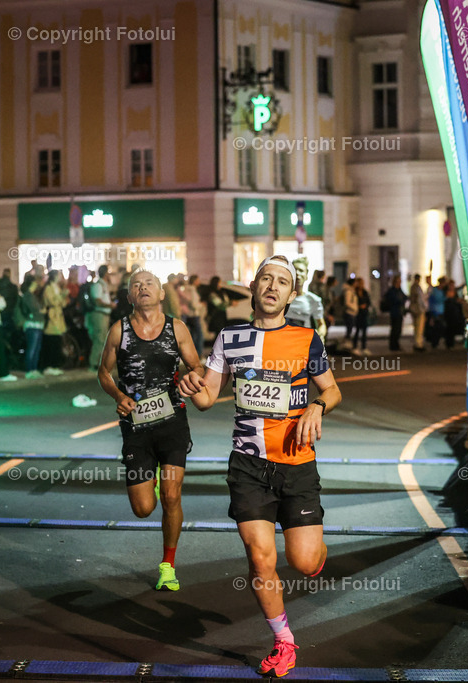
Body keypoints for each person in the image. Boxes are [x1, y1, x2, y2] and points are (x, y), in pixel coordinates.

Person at [178, 255, 342, 678]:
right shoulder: (229, 338)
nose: (272, 286)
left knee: (303, 562)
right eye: (265, 278)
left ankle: (315, 553)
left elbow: (333, 390)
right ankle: (284, 640)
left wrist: (318, 407)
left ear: (291, 295)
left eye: (282, 282)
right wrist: (189, 384)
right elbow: (206, 397)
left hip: (298, 463)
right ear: (252, 287)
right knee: (260, 557)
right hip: (248, 465)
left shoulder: (307, 339)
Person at [98, 269, 204, 592]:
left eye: (149, 284)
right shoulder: (119, 330)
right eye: (136, 286)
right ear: (129, 296)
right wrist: (119, 395)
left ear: (161, 294)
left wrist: (192, 378)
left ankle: (168, 565)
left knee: (172, 496)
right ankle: (150, 480)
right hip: (136, 429)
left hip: (172, 423)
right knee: (143, 508)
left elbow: (197, 366)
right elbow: (103, 371)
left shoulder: (177, 328)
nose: (142, 288)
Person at [286, 257, 327, 340]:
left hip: (304, 343)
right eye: (294, 270)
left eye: (301, 270)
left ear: (306, 274)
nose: (297, 273)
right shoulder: (281, 298)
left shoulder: (313, 300)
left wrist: (320, 335)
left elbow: (321, 325)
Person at [86, 265, 115, 371]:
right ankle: (93, 363)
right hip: (99, 315)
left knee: (103, 339)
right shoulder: (98, 285)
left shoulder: (103, 285)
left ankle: (99, 363)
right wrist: (109, 305)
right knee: (99, 339)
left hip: (104, 315)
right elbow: (97, 301)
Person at [41, 269, 67, 375]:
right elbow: (52, 302)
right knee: (52, 342)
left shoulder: (58, 288)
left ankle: (55, 365)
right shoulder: (48, 288)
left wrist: (61, 298)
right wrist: (61, 297)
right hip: (52, 317)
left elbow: (63, 303)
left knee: (57, 342)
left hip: (59, 317)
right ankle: (50, 366)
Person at [19, 275, 46, 379]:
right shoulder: (28, 296)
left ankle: (33, 369)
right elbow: (34, 309)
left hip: (37, 324)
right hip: (32, 324)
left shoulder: (32, 295)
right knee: (32, 348)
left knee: (36, 348)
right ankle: (29, 370)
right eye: (35, 284)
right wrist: (41, 311)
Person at [180, 274, 206, 357]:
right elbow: (194, 305)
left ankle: (192, 354)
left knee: (192, 336)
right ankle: (198, 355)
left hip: (188, 315)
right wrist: (201, 304)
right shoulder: (192, 290)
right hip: (194, 315)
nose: (199, 282)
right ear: (194, 281)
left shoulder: (185, 290)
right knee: (199, 336)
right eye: (198, 280)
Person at [382, 275, 408, 351]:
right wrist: (399, 301)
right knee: (395, 329)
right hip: (395, 312)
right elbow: (393, 300)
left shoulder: (399, 290)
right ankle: (393, 345)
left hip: (400, 312)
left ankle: (396, 344)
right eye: (398, 281)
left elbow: (404, 297)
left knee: (399, 329)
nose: (399, 283)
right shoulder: (392, 291)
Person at [352, 277, 371, 356]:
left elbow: (369, 301)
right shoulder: (354, 292)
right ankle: (355, 347)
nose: (361, 285)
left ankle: (364, 347)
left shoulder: (365, 292)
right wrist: (359, 306)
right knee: (357, 331)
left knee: (364, 331)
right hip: (358, 314)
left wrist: (365, 306)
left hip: (364, 313)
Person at [409, 274, 427, 352]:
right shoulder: (416, 287)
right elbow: (418, 299)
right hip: (418, 310)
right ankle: (418, 344)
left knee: (417, 328)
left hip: (415, 309)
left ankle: (418, 343)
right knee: (419, 328)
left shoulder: (414, 287)